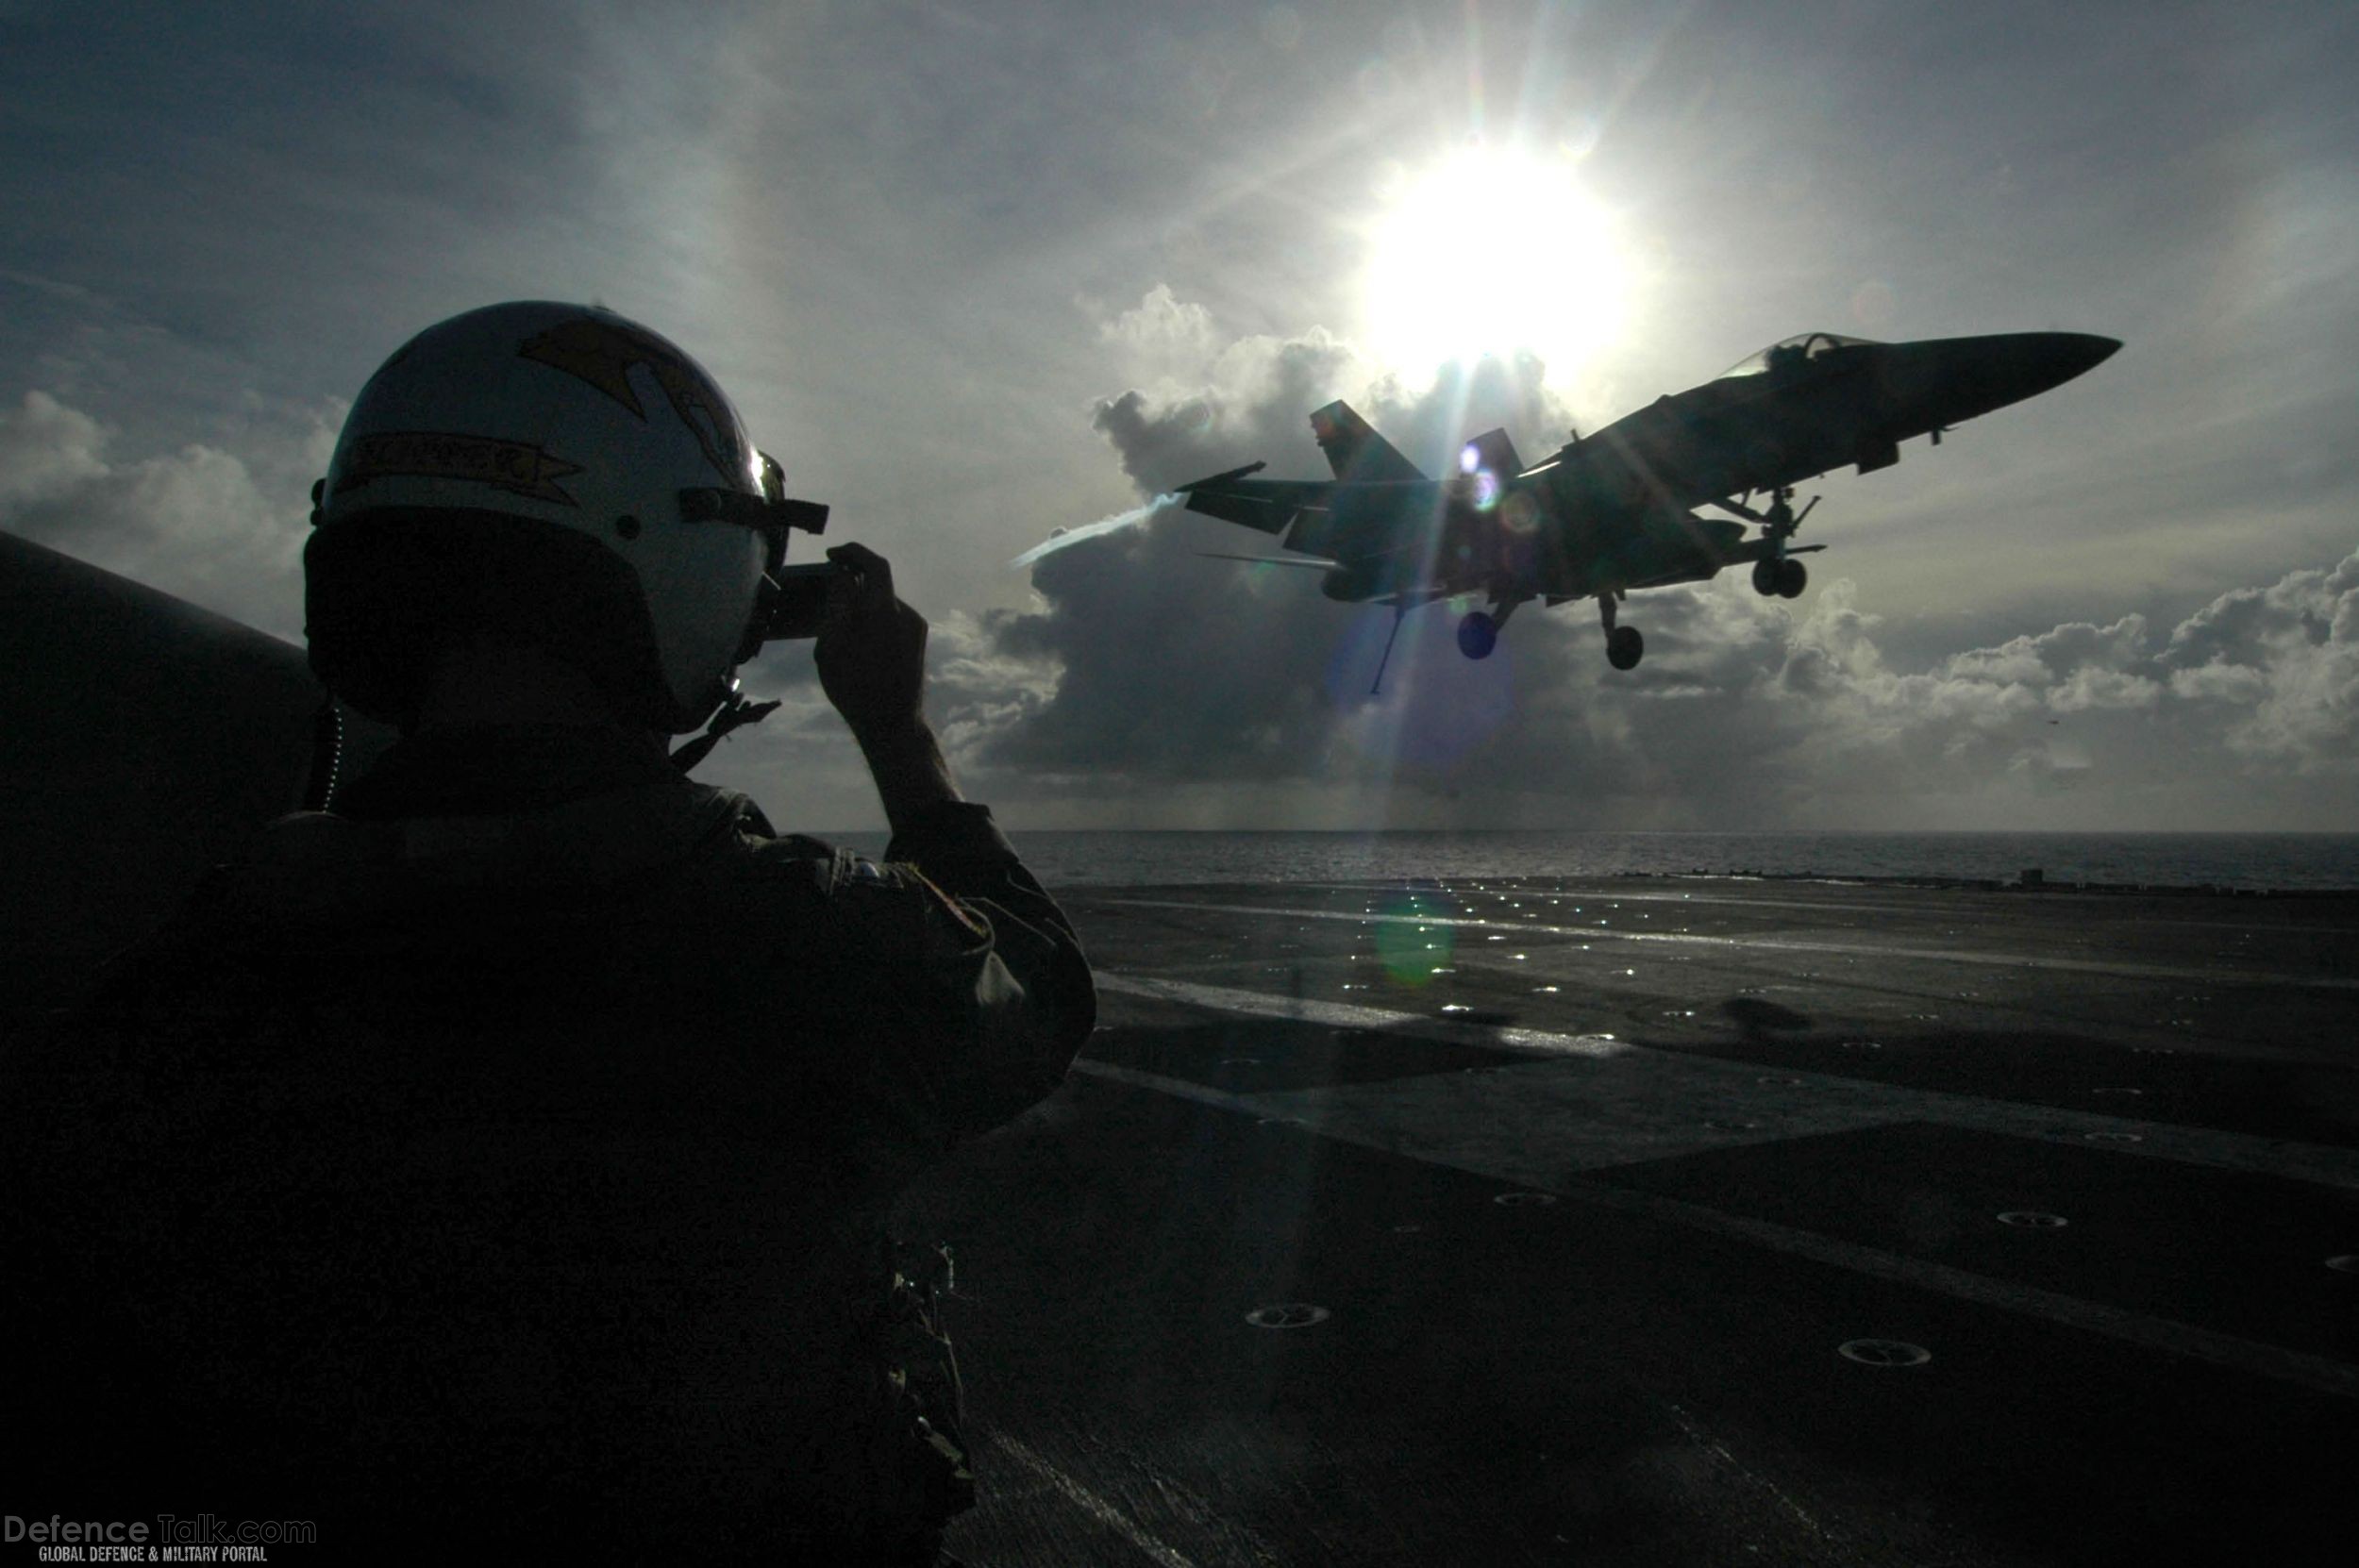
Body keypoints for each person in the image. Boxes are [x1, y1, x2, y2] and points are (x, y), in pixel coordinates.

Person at [3, 301, 1095, 1561]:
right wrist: (901, 738)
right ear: (687, 574)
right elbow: (1040, 993)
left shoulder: (155, 991)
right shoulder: (812, 953)